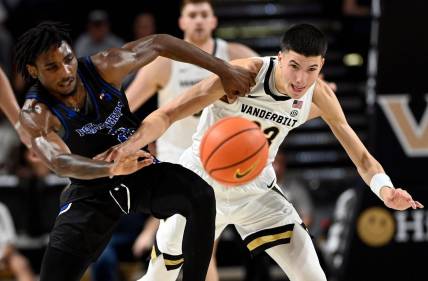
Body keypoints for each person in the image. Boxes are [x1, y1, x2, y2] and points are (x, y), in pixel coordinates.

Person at [103, 23, 423, 281]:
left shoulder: (319, 95)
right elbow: (169, 113)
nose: (300, 79)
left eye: (311, 69)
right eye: (294, 65)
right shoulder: (242, 75)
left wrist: (385, 189)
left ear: (321, 66)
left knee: (312, 275)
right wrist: (130, 144)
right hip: (199, 183)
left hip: (255, 190)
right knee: (159, 276)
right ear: (280, 57)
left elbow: (362, 157)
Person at [15, 21, 255, 281]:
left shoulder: (104, 66)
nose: (66, 71)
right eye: (52, 67)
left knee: (201, 195)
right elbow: (60, 162)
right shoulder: (36, 113)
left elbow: (160, 42)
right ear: (34, 71)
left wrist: (223, 69)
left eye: (68, 59)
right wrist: (111, 167)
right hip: (91, 191)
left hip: (139, 170)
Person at [126, 1, 257, 279]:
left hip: (219, 162)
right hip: (176, 160)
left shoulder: (235, 54)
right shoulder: (164, 64)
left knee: (198, 246)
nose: (198, 20)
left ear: (213, 21)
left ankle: (151, 236)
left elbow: (276, 80)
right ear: (182, 22)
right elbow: (127, 104)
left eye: (204, 15)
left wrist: (317, 90)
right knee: (197, 243)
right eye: (192, 15)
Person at [0, 202, 36, 281]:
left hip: (6, 257)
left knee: (21, 264)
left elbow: (10, 241)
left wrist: (2, 259)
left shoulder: (1, 208)